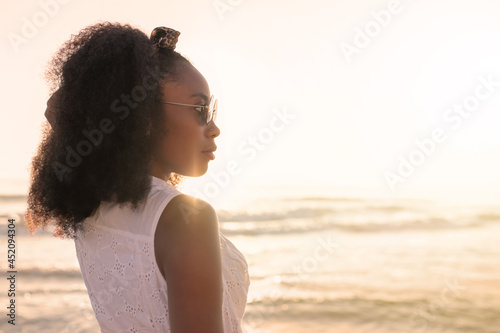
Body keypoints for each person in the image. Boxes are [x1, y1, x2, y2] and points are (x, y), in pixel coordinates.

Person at [25, 22, 250, 333]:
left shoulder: (92, 210)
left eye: (211, 110)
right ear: (144, 118)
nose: (213, 127)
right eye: (199, 108)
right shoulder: (185, 220)